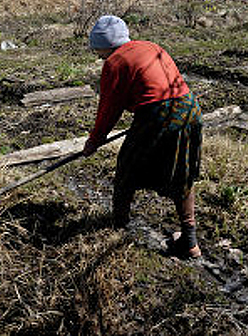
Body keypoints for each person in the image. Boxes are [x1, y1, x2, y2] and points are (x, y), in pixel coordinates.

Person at [83, 15, 203, 259]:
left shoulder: (115, 62)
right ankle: (190, 241)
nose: (98, 56)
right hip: (189, 108)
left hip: (159, 114)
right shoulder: (150, 47)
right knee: (183, 173)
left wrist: (94, 141)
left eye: (98, 50)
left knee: (127, 168)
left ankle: (118, 226)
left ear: (105, 45)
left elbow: (109, 109)